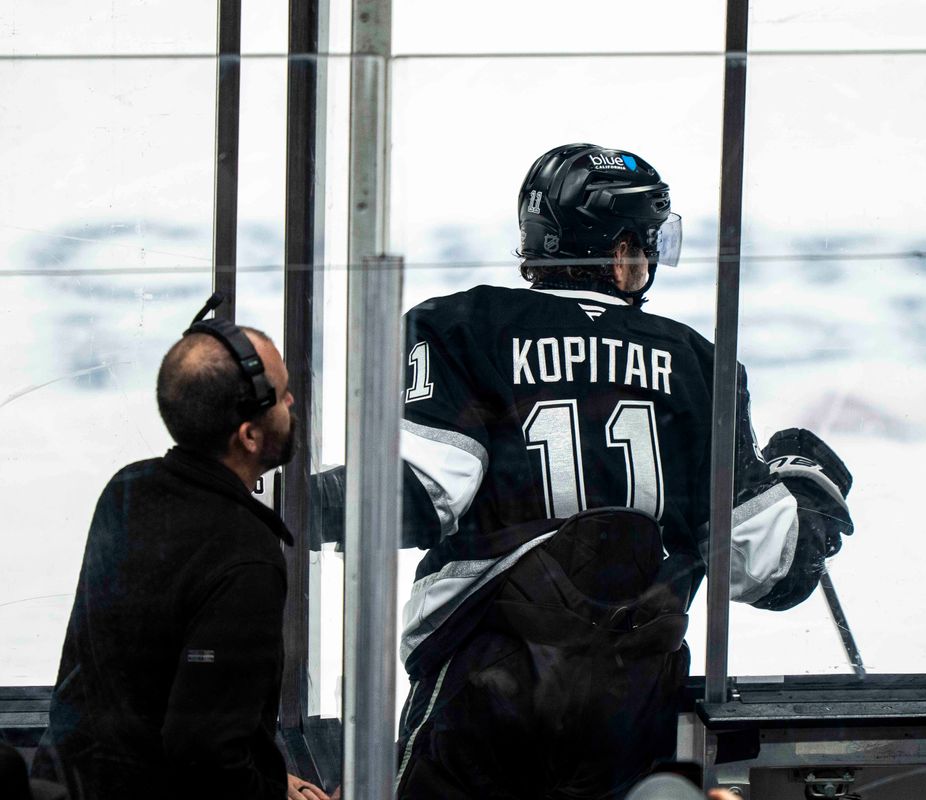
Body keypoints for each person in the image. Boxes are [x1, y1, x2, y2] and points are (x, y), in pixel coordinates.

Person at [390, 143, 854, 799]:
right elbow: (770, 569)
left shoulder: (461, 327)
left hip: (480, 686)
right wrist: (809, 492)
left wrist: (299, 499)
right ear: (620, 250)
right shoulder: (696, 362)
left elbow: (422, 496)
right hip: (624, 706)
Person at [32, 303, 330, 800]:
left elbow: (142, 690)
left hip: (73, 783)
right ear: (249, 435)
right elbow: (205, 759)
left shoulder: (128, 488)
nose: (293, 401)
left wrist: (271, 779)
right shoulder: (246, 560)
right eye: (280, 397)